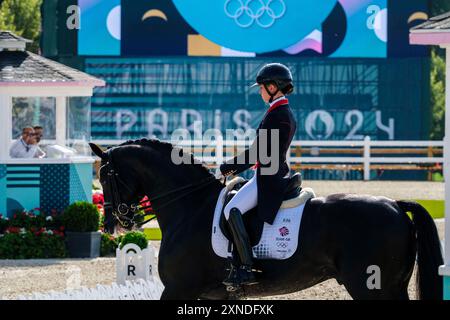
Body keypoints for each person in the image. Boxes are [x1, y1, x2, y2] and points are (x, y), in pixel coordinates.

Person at [219, 63, 297, 287]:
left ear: (272, 87)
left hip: (268, 178)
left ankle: (245, 268)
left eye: (262, 87)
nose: (260, 91)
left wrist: (227, 168)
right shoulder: (278, 111)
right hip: (265, 173)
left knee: (231, 209)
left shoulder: (279, 114)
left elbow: (258, 152)